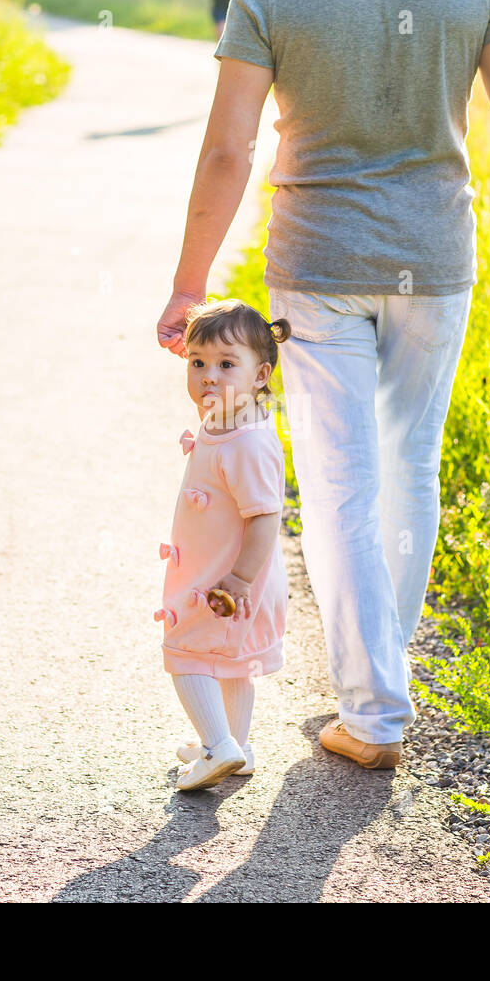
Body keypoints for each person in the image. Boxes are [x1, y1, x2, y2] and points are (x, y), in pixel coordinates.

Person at [157, 0, 490, 771]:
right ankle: (377, 679)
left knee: (341, 480)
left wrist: (191, 284)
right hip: (435, 258)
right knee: (409, 466)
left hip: (320, 262)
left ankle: (374, 710)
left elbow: (230, 147)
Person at [156, 298, 293, 790]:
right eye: (198, 363)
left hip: (227, 580)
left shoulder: (246, 443)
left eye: (226, 365)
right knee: (234, 662)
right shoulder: (228, 424)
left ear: (261, 375)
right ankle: (237, 744)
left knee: (186, 653)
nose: (208, 376)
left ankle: (218, 747)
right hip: (229, 577)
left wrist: (236, 580)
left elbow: (264, 517)